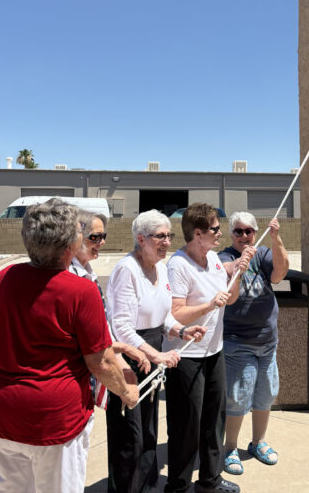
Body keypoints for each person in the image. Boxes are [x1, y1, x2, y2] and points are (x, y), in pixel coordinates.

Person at [0, 199, 138, 493]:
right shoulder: (80, 290)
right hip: (56, 420)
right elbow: (102, 363)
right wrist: (126, 392)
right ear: (71, 244)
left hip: (2, 411)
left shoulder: (6, 277)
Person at [105, 209, 206, 493]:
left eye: (169, 235)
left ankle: (146, 488)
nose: (167, 241)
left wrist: (181, 331)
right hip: (129, 359)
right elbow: (122, 327)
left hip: (150, 353)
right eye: (160, 236)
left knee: (148, 433)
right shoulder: (127, 269)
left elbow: (163, 318)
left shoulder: (162, 268)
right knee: (130, 436)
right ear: (141, 238)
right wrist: (155, 354)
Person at [163, 203, 250, 493]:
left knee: (214, 419)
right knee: (186, 425)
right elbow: (175, 313)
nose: (220, 233)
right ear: (197, 234)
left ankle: (210, 480)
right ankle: (178, 487)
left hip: (214, 351)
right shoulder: (178, 265)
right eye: (215, 229)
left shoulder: (213, 258)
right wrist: (210, 304)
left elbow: (231, 298)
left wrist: (237, 272)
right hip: (186, 355)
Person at [218, 212, 289, 476]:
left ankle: (257, 442)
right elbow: (226, 282)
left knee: (266, 394)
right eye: (238, 231)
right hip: (237, 342)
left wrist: (276, 239)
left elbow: (279, 274)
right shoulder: (224, 256)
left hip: (268, 342)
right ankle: (230, 447)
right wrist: (238, 265)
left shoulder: (263, 253)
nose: (244, 236)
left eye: (249, 231)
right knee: (237, 398)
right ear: (231, 234)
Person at [70, 211, 151, 407]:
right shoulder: (72, 278)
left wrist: (120, 362)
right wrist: (123, 388)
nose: (102, 242)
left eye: (103, 236)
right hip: (76, 377)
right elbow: (89, 343)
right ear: (77, 238)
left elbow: (103, 327)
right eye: (95, 237)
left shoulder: (88, 273)